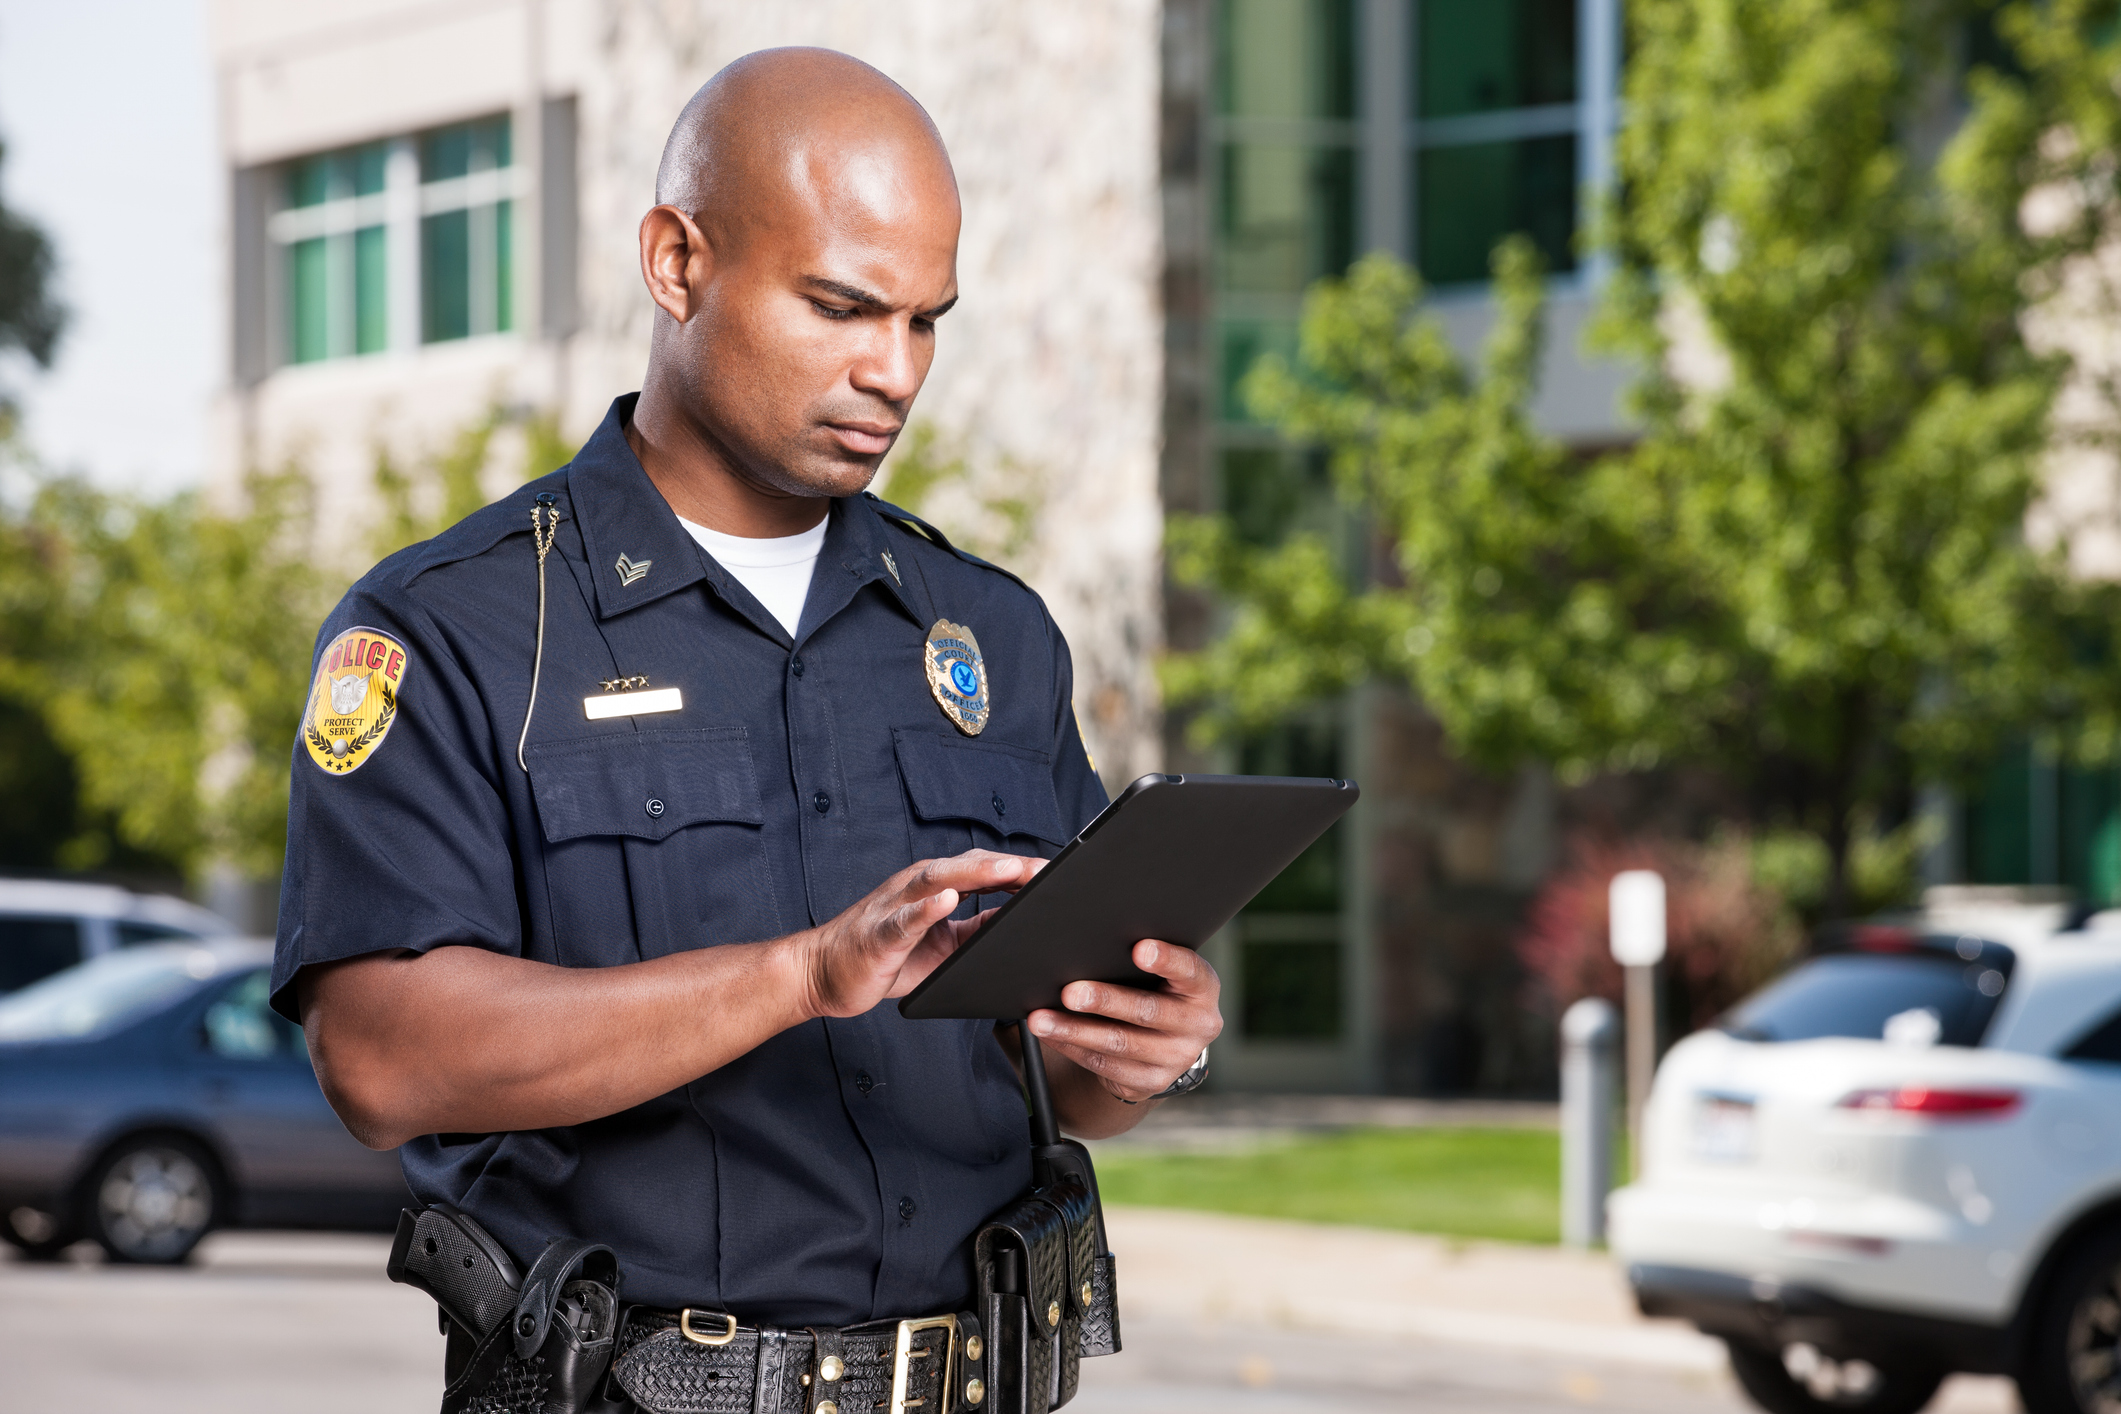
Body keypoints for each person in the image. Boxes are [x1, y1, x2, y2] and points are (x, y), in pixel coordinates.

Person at [271, 46, 1221, 1414]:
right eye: (840, 306)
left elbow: (1058, 1081)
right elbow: (379, 1059)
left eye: (923, 321)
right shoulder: (458, 629)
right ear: (676, 262)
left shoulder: (989, 635)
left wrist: (1136, 1047)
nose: (891, 370)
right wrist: (802, 974)